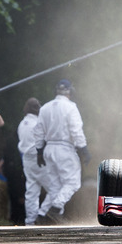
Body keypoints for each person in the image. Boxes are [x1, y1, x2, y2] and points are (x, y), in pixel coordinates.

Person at [34, 79, 90, 225]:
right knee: (73, 182)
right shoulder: (71, 107)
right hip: (65, 148)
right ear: (70, 91)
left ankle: (41, 214)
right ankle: (56, 209)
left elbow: (38, 131)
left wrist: (39, 151)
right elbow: (76, 130)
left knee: (55, 186)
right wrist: (83, 149)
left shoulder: (45, 108)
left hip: (48, 149)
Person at [17, 97, 44, 225]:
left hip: (26, 159)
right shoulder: (38, 123)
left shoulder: (22, 124)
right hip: (38, 158)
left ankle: (30, 221)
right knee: (56, 186)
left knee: (32, 190)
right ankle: (44, 214)